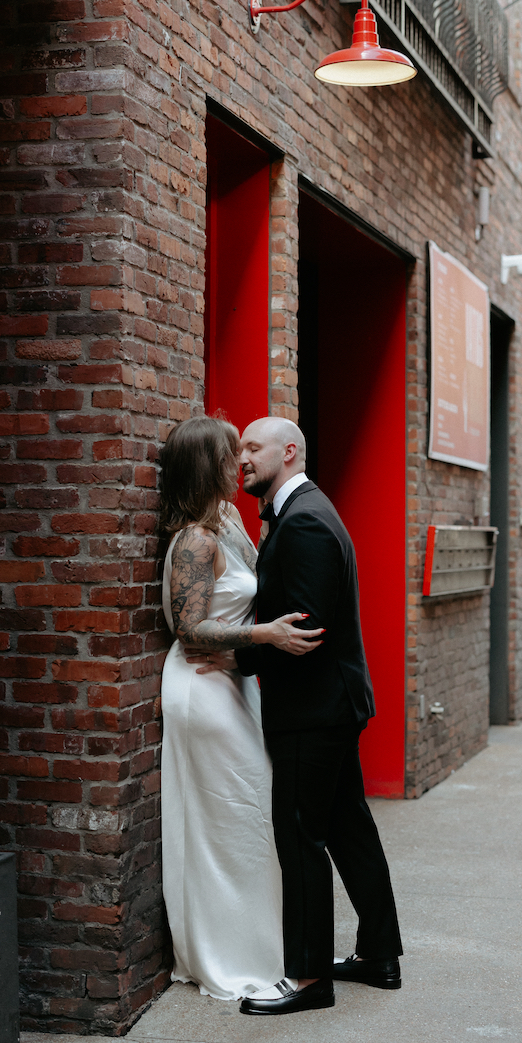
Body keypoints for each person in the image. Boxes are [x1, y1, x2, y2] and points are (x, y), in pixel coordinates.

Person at [195, 417, 402, 1016]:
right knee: (346, 827)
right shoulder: (304, 510)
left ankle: (311, 980)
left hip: (312, 709)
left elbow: (303, 630)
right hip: (330, 704)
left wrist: (234, 653)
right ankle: (378, 954)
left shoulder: (306, 518)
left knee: (301, 835)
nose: (243, 461)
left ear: (289, 451)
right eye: (238, 452)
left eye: (253, 449)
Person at [159, 415, 323, 1000]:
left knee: (251, 813)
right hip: (201, 689)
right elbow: (189, 629)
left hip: (230, 682)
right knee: (234, 815)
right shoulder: (196, 541)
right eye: (233, 455)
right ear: (209, 466)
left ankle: (268, 945)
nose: (242, 465)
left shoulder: (228, 521)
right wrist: (264, 638)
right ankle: (232, 954)